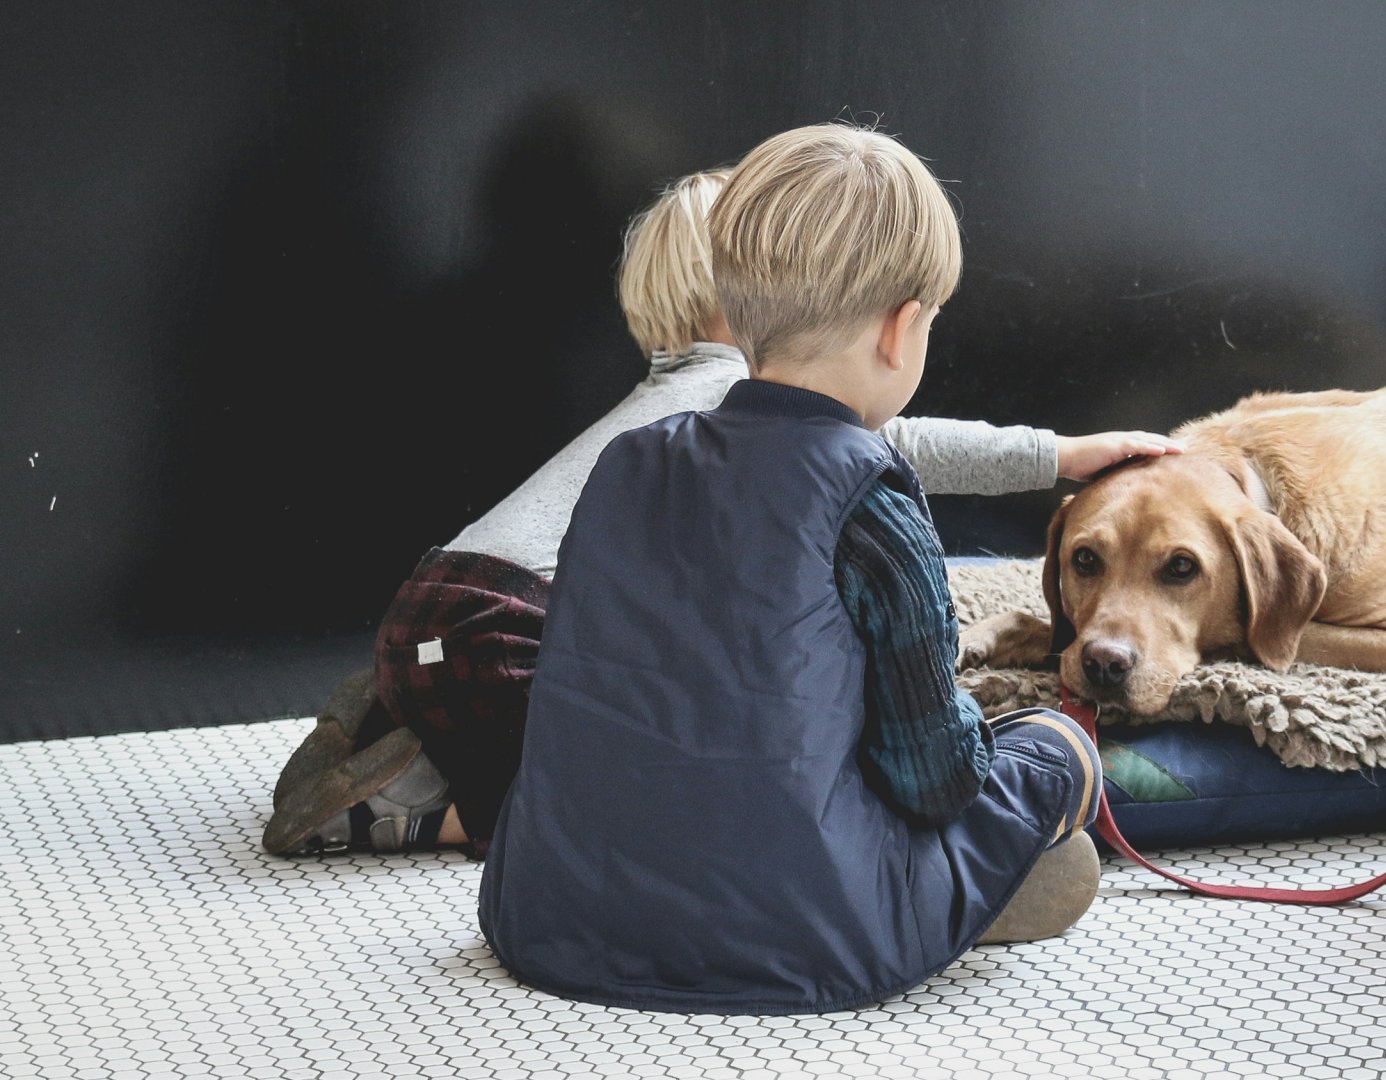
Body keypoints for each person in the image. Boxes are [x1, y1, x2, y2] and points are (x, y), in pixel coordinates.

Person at [263, 163, 1177, 861]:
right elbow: (898, 441)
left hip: (443, 604)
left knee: (577, 729)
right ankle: (406, 812)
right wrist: (1056, 455)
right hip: (510, 624)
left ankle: (402, 725)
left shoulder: (668, 404)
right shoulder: (736, 400)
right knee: (599, 802)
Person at [477, 123, 1124, 1014]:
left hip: (555, 910)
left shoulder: (627, 462)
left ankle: (944, 886)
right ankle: (969, 885)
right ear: (902, 331)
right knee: (1054, 749)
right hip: (802, 930)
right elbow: (933, 779)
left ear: (733, 315)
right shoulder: (871, 502)